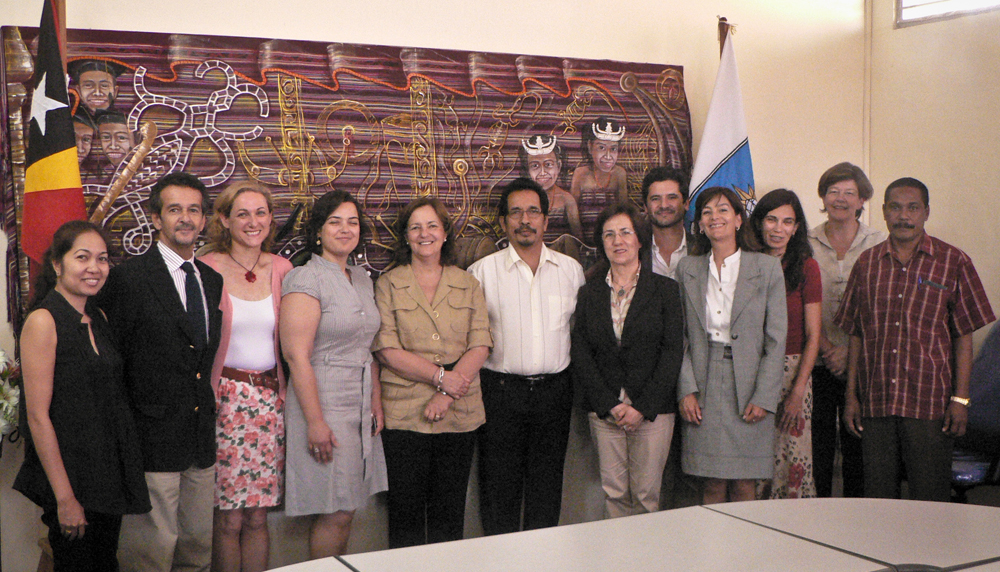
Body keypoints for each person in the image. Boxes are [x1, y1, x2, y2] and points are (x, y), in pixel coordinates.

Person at [837, 177, 994, 502]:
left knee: (930, 497)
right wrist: (851, 397)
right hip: (876, 403)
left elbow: (964, 337)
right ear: (883, 212)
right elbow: (856, 334)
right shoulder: (867, 265)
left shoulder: (953, 262)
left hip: (930, 406)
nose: (904, 215)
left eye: (913, 208)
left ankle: (931, 555)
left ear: (926, 212)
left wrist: (960, 400)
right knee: (878, 498)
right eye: (895, 207)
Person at [99, 171, 223, 572]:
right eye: (174, 210)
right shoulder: (129, 279)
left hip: (200, 440)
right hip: (150, 441)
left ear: (204, 220)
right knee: (149, 555)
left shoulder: (211, 280)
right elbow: (114, 362)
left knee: (197, 549)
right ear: (156, 218)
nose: (185, 219)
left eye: (193, 210)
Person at [14, 221, 150, 571]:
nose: (94, 268)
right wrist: (65, 498)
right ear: (58, 265)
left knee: (105, 563)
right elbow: (37, 417)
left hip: (106, 473)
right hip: (70, 476)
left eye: (102, 259)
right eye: (83, 257)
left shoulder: (98, 316)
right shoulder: (44, 320)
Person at [372, 197, 492, 547]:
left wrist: (446, 393)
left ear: (444, 234)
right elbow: (386, 349)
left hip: (459, 412)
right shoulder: (388, 283)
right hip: (405, 414)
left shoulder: (467, 282)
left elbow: (480, 343)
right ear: (405, 236)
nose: (424, 234)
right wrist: (439, 378)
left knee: (449, 514)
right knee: (405, 514)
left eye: (432, 226)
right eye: (415, 227)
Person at [468, 177, 585, 534]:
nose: (525, 220)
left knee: (547, 492)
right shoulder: (481, 273)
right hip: (499, 394)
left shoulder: (571, 271)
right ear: (503, 222)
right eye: (515, 212)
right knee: (499, 493)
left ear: (546, 220)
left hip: (555, 394)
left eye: (533, 211)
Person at [279, 190, 388, 557]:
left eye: (353, 222)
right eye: (335, 222)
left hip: (358, 404)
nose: (345, 229)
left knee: (348, 508)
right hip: (322, 401)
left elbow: (367, 348)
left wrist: (375, 401)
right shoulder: (305, 277)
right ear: (318, 231)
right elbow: (296, 355)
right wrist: (315, 422)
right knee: (333, 510)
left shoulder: (361, 278)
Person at [199, 182, 293, 571]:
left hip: (270, 402)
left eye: (260, 213)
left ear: (270, 219)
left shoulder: (285, 270)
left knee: (258, 516)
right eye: (242, 213)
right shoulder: (207, 268)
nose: (252, 222)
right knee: (228, 518)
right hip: (224, 403)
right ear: (224, 219)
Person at [676, 186, 787, 504]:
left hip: (750, 383)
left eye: (723, 209)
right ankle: (712, 552)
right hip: (704, 379)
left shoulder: (766, 268)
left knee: (744, 483)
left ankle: (743, 552)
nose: (715, 217)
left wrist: (765, 396)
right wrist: (686, 389)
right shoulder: (688, 269)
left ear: (739, 219)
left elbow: (776, 339)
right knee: (709, 482)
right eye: (706, 212)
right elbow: (679, 336)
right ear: (699, 223)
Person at [572, 203, 683, 518]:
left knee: (647, 497)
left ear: (639, 240)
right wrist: (609, 403)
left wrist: (642, 407)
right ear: (602, 243)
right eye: (609, 235)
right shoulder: (589, 292)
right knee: (615, 495)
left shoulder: (665, 290)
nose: (617, 241)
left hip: (652, 412)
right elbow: (581, 350)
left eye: (625, 233)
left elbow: (672, 351)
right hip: (605, 410)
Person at [808, 162, 885, 498]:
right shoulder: (805, 241)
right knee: (817, 449)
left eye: (849, 193)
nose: (840, 198)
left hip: (864, 364)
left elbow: (883, 308)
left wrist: (850, 352)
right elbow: (796, 302)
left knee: (860, 451)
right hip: (816, 362)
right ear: (824, 196)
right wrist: (828, 349)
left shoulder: (879, 243)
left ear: (862, 199)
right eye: (833, 191)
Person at [748, 189, 822, 499]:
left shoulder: (806, 266)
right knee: (752, 462)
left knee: (793, 459)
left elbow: (814, 335)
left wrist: (797, 391)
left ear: (796, 227)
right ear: (759, 223)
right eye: (772, 220)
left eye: (787, 222)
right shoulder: (745, 263)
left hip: (794, 372)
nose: (779, 229)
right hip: (750, 370)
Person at [570, 117, 628, 243]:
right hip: (585, 244)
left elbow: (623, 212)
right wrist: (581, 245)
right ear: (590, 147)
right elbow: (573, 218)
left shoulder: (619, 174)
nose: (608, 156)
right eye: (601, 148)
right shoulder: (580, 174)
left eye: (613, 149)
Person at [519, 135, 584, 244]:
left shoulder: (567, 200)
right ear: (527, 170)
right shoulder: (520, 199)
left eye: (548, 164)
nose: (543, 172)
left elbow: (578, 241)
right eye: (535, 166)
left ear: (558, 166)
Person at [642, 166, 693, 280]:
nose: (664, 205)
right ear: (645, 206)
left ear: (686, 203)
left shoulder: (703, 250)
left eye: (672, 197)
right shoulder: (635, 252)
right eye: (655, 198)